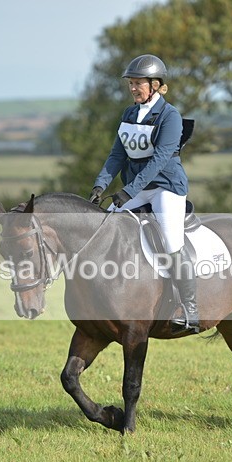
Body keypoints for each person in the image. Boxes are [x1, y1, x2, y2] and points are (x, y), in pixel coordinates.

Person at [88, 54, 199, 334]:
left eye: (139, 83)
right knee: (104, 225)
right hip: (137, 188)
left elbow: (159, 160)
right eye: (131, 83)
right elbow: (117, 155)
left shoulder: (170, 116)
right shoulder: (128, 114)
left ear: (156, 84)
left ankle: (189, 308)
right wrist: (100, 185)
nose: (134, 88)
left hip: (166, 188)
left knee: (172, 241)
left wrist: (128, 192)